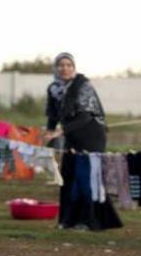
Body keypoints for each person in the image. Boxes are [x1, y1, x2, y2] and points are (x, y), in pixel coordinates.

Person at [44, 52, 122, 230]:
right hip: (71, 136)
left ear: (74, 67)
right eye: (61, 65)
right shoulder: (54, 88)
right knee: (69, 178)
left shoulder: (83, 86)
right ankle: (68, 220)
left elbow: (85, 117)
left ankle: (90, 221)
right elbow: (52, 114)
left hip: (90, 136)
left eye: (68, 65)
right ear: (56, 68)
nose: (65, 68)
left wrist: (60, 131)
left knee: (86, 178)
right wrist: (49, 132)